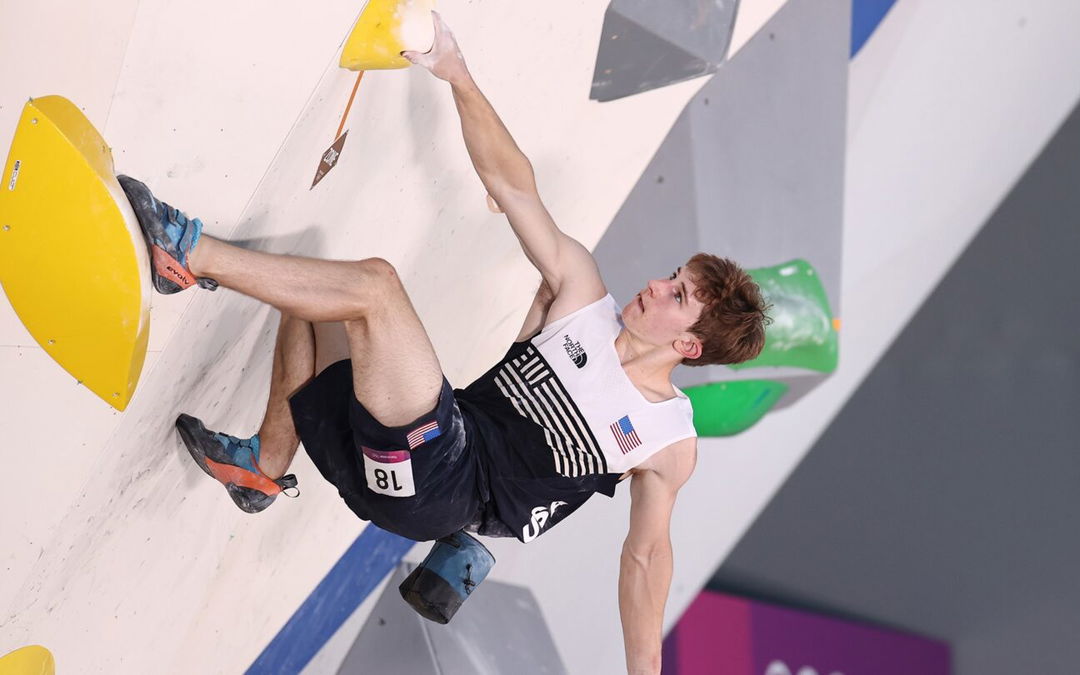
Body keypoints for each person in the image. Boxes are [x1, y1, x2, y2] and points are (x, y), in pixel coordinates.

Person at [125, 13, 768, 674]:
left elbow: (646, 557)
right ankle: (265, 463)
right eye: (673, 277)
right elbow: (515, 185)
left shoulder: (667, 436)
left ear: (690, 347)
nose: (658, 288)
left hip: (442, 480)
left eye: (678, 298)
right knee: (318, 291)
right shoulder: (582, 294)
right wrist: (455, 71)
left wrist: (646, 669)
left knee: (374, 288)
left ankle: (185, 250)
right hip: (405, 465)